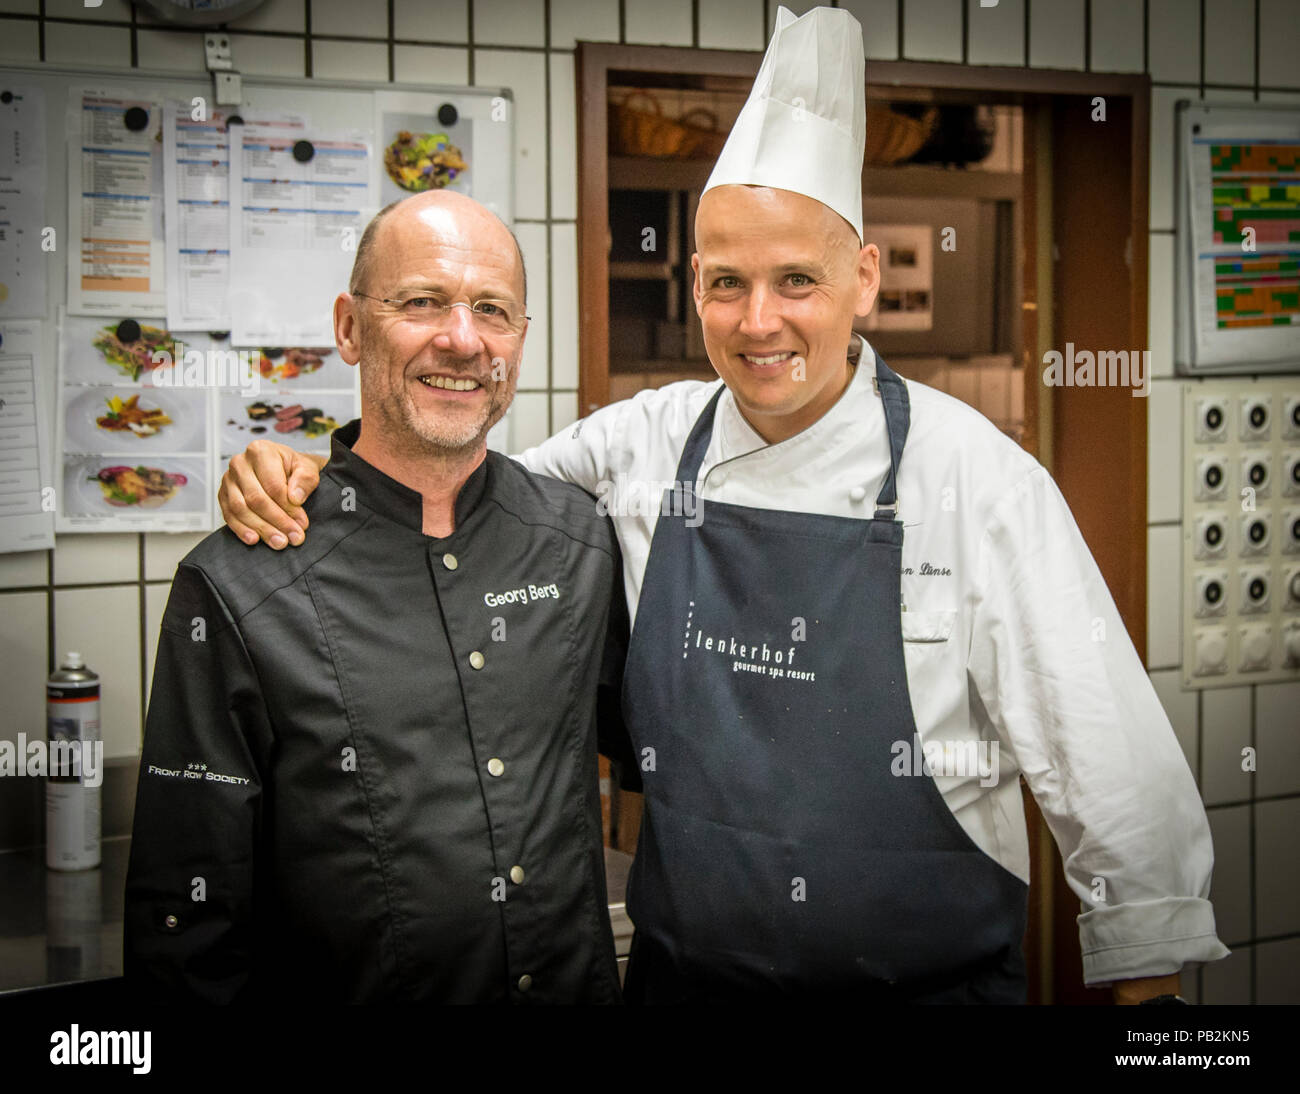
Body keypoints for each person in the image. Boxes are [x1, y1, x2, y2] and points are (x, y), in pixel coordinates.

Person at [217, 6, 1229, 1004]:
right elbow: (453, 498)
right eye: (725, 282)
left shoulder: (979, 481)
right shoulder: (638, 445)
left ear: (863, 279)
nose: (758, 321)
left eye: (797, 279)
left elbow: (1110, 766)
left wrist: (1150, 1004)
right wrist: (302, 470)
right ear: (692, 279)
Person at [126, 190, 628, 1003]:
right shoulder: (239, 585)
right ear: (351, 327)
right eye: (422, 301)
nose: (461, 339)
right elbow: (188, 922)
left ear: (520, 342)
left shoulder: (581, 542)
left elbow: (672, 753)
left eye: (492, 311)